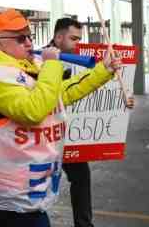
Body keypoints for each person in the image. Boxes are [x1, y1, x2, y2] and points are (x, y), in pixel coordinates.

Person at [0, 9, 121, 227]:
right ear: (0, 43)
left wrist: (103, 70)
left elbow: (59, 94)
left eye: (29, 36)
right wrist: (51, 65)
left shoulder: (26, 69)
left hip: (27, 189)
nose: (29, 42)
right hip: (12, 190)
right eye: (21, 38)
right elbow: (34, 110)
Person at [46, 17, 133, 227]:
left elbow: (93, 90)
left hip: (71, 136)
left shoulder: (80, 61)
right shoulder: (40, 61)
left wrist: (122, 100)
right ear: (58, 37)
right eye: (73, 38)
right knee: (42, 184)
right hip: (46, 137)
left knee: (81, 178)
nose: (78, 43)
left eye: (80, 38)